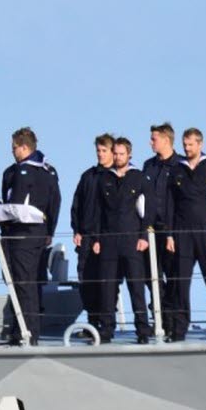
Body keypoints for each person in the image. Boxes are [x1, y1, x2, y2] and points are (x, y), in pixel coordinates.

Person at [164, 128, 206, 341]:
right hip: (182, 233)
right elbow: (169, 204)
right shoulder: (177, 170)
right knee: (181, 282)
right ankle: (179, 329)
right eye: (184, 145)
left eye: (190, 145)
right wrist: (169, 235)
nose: (187, 148)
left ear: (200, 144)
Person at [89, 137, 154, 343]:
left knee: (136, 287)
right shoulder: (104, 179)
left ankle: (143, 331)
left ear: (129, 155)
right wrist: (96, 238)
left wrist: (144, 236)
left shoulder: (139, 178)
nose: (117, 157)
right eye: (115, 153)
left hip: (132, 240)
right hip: (108, 241)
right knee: (107, 288)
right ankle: (106, 330)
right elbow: (97, 211)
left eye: (121, 154)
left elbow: (150, 211)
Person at [0, 127, 61, 346]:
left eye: (14, 147)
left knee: (24, 283)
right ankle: (23, 329)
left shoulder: (23, 172)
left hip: (23, 234)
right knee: (28, 283)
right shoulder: (48, 170)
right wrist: (49, 232)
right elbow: (55, 203)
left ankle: (26, 333)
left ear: (24, 147)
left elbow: (13, 205)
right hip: (36, 234)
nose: (12, 151)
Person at [142, 123, 183, 335]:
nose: (150, 142)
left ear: (166, 140)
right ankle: (160, 317)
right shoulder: (148, 166)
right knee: (151, 277)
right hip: (151, 230)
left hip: (173, 232)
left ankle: (173, 322)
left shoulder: (180, 166)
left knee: (173, 277)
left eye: (154, 139)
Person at [70, 134, 112, 337]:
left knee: (107, 283)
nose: (101, 154)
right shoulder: (88, 176)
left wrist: (101, 238)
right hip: (85, 238)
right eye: (98, 151)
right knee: (86, 282)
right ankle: (92, 323)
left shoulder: (116, 177)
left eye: (104, 151)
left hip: (106, 240)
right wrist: (76, 229)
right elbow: (77, 204)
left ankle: (106, 324)